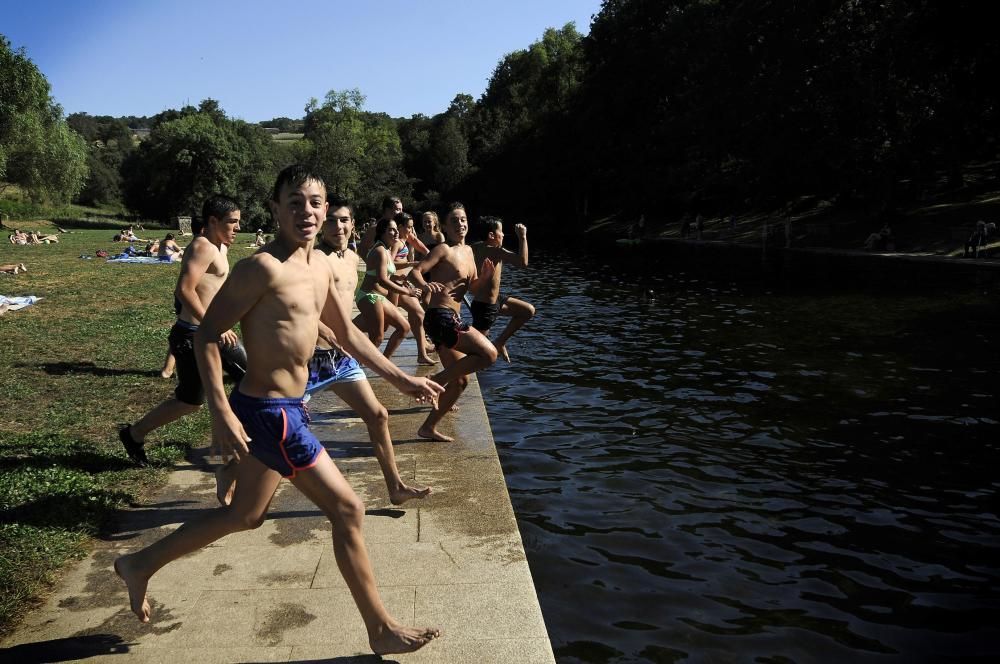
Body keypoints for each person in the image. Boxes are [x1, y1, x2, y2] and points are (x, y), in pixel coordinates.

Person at [113, 164, 443, 656]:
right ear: (275, 209)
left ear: (326, 209)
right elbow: (204, 335)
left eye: (314, 202)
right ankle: (380, 628)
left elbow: (349, 334)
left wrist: (402, 379)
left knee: (246, 516)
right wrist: (219, 412)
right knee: (348, 508)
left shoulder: (320, 268)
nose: (305, 212)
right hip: (270, 413)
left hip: (289, 405)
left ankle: (138, 565)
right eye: (294, 202)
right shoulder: (261, 268)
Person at [119, 196, 246, 505]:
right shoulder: (203, 246)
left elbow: (214, 288)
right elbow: (185, 290)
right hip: (194, 335)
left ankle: (134, 434)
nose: (238, 228)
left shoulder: (220, 246)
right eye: (232, 222)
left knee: (190, 401)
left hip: (203, 333)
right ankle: (236, 451)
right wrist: (213, 323)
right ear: (213, 222)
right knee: (252, 378)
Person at [313, 200, 432, 503]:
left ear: (353, 224)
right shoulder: (314, 259)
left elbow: (348, 325)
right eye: (331, 221)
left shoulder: (353, 258)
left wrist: (399, 378)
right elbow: (295, 307)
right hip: (308, 358)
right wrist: (322, 328)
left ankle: (395, 487)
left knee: (378, 415)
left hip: (339, 358)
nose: (338, 227)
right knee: (276, 430)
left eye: (344, 221)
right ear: (320, 225)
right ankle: (233, 468)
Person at [407, 202, 499, 441]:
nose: (461, 224)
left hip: (452, 318)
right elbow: (415, 272)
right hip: (440, 317)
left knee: (459, 381)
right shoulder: (443, 250)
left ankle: (427, 428)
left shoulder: (469, 252)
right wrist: (425, 285)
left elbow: (472, 286)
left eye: (464, 219)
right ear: (445, 226)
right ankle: (436, 380)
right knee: (489, 354)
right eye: (455, 220)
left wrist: (486, 277)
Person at [470, 218, 535, 363]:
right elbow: (523, 262)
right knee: (479, 356)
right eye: (501, 231)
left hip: (493, 301)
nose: (504, 235)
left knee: (527, 311)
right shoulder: (495, 251)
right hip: (484, 308)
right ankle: (460, 374)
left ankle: (499, 342)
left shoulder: (475, 247)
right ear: (492, 235)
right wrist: (522, 237)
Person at [355, 217, 417, 360]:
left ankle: (384, 361)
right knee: (377, 337)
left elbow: (387, 273)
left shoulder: (386, 249)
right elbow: (382, 280)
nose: (396, 233)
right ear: (383, 232)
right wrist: (408, 292)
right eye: (392, 230)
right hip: (369, 296)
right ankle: (355, 366)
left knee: (404, 327)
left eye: (396, 229)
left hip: (379, 297)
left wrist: (406, 270)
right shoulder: (380, 251)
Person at [389, 212, 435, 365]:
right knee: (381, 327)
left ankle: (422, 352)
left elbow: (417, 243)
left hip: (403, 285)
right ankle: (381, 358)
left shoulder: (406, 237)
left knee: (419, 314)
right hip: (394, 286)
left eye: (412, 226)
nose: (411, 230)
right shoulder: (397, 242)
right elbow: (389, 264)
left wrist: (433, 257)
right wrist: (410, 264)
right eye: (408, 227)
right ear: (400, 227)